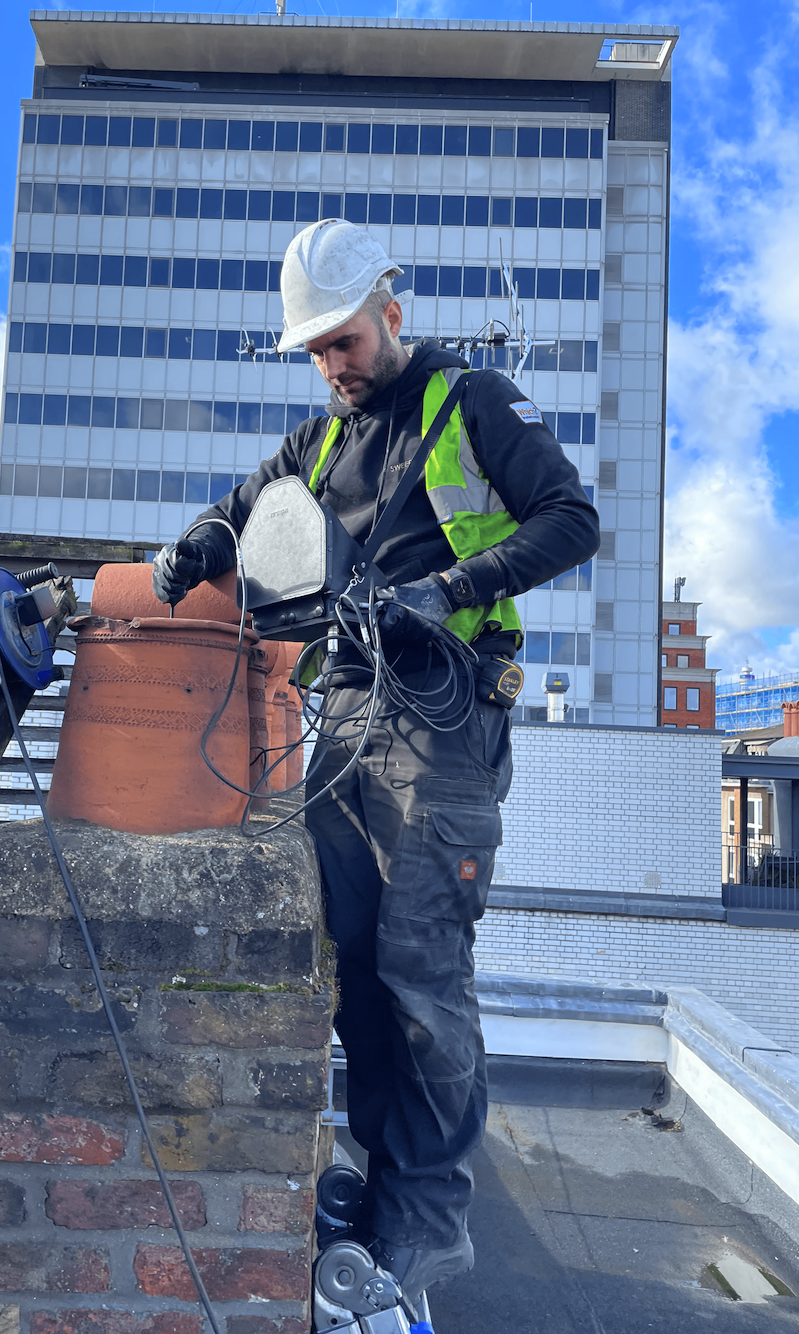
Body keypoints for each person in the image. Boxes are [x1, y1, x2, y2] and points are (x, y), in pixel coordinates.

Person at [153, 219, 599, 1306]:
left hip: (442, 722)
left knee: (420, 969)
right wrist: (196, 546)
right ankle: (381, 1178)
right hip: (346, 716)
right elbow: (243, 508)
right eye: (314, 350)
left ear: (390, 313)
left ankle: (429, 1221)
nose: (333, 365)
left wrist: (442, 590)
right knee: (347, 954)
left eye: (344, 340)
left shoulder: (469, 403)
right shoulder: (317, 443)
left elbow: (571, 519)